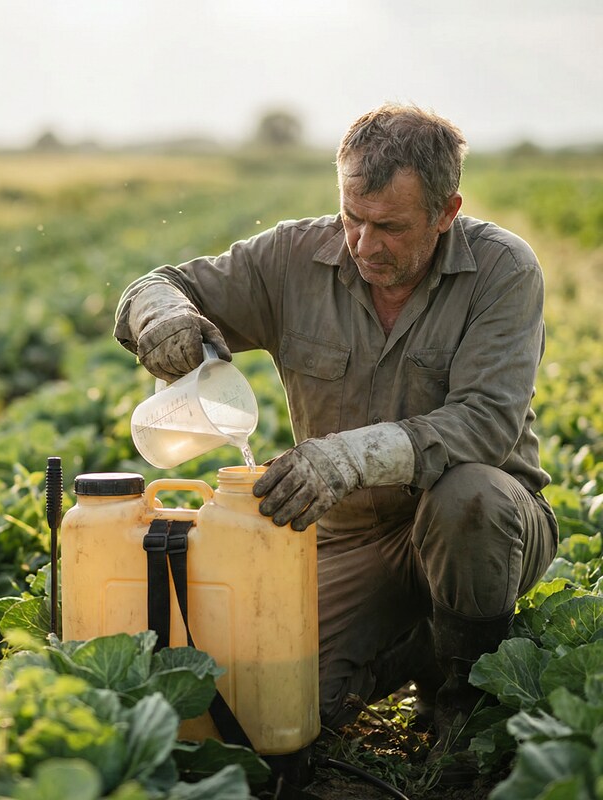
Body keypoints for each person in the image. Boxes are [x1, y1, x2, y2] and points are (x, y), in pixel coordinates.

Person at [113, 103, 558, 779]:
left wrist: (346, 458)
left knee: (468, 497)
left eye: (389, 227)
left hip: (487, 524)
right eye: (352, 217)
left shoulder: (503, 271)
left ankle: (465, 700)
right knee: (265, 706)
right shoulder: (294, 258)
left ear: (446, 211)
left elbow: (486, 425)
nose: (363, 243)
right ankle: (414, 643)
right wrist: (162, 315)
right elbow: (155, 284)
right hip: (349, 539)